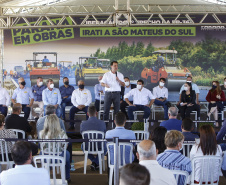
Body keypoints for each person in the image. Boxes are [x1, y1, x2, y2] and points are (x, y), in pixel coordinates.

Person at [39, 114, 71, 182]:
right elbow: (65, 146)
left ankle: (45, 175)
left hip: (46, 158)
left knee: (42, 153)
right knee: (67, 154)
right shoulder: (62, 133)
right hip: (59, 158)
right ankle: (67, 177)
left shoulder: (41, 133)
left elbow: (41, 146)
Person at [80, 105, 106, 171]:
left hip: (87, 146)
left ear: (87, 113)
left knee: (82, 146)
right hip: (100, 146)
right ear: (96, 113)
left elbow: (81, 133)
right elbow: (104, 133)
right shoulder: (102, 123)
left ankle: (94, 162)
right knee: (105, 146)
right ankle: (96, 162)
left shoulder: (83, 123)